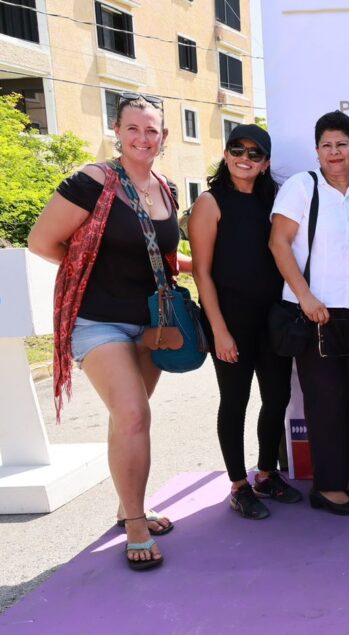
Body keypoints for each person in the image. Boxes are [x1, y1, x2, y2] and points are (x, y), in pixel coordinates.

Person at [29, 92, 178, 570]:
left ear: (164, 137)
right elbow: (42, 240)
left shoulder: (166, 187)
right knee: (133, 413)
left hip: (152, 323)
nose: (142, 137)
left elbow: (163, 257)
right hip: (100, 320)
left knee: (128, 416)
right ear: (117, 131)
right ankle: (135, 521)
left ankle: (125, 503)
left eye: (151, 129)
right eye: (133, 128)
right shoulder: (94, 181)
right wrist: (86, 273)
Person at [189, 124, 300, 520]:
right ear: (226, 152)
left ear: (266, 162)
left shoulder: (275, 199)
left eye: (255, 153)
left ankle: (266, 474)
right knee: (235, 401)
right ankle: (238, 484)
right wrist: (218, 329)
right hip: (230, 319)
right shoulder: (210, 202)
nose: (246, 158)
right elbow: (201, 272)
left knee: (278, 398)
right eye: (239, 148)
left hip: (272, 317)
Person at [269, 111, 349, 516]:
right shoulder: (302, 186)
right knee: (325, 401)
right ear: (317, 151)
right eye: (326, 145)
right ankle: (327, 488)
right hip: (314, 311)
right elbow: (279, 243)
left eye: (342, 144)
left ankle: (340, 476)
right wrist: (306, 296)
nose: (334, 152)